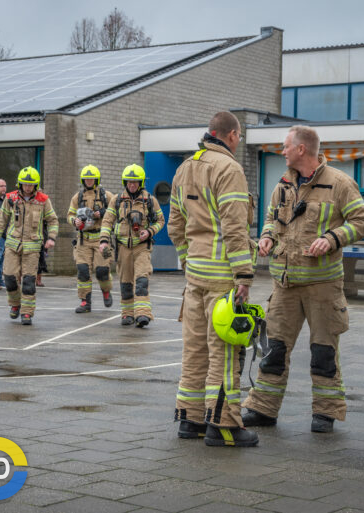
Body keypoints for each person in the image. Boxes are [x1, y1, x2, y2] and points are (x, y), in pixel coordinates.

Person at [241, 125, 364, 434]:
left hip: (322, 287)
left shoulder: (339, 183)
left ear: (301, 149)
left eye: (286, 146)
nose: (282, 151)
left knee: (324, 352)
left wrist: (334, 237)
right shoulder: (283, 185)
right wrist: (268, 237)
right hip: (284, 285)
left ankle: (326, 413)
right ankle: (262, 408)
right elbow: (272, 219)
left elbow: (362, 221)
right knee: (273, 351)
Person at [168, 111, 259, 447]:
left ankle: (189, 420)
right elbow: (235, 229)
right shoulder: (229, 169)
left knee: (194, 350)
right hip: (223, 277)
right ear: (232, 135)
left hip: (195, 276)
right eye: (239, 137)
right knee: (224, 353)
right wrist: (244, 275)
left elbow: (175, 225)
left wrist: (187, 259)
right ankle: (223, 426)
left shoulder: (185, 168)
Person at [0, 167, 58, 326]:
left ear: (36, 185)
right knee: (9, 277)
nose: (28, 187)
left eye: (31, 185)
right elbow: (1, 221)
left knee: (28, 281)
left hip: (32, 248)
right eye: (25, 184)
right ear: (20, 184)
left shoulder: (43, 200)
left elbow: (53, 220)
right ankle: (15, 304)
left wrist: (52, 238)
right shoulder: (11, 198)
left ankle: (26, 313)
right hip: (12, 246)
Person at [99, 164, 164, 328]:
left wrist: (149, 231)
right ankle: (127, 314)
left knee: (141, 280)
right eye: (129, 182)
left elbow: (161, 221)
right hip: (123, 248)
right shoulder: (117, 200)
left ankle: (142, 314)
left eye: (135, 182)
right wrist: (104, 240)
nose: (132, 185)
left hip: (142, 247)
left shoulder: (150, 200)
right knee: (126, 281)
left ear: (141, 183)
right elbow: (107, 221)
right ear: (125, 182)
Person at [67, 165, 115, 313]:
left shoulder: (106, 195)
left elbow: (117, 211)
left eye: (91, 178)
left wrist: (102, 213)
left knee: (102, 270)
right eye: (86, 179)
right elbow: (70, 215)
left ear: (97, 179)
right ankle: (85, 301)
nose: (89, 181)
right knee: (82, 270)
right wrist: (74, 221)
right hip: (83, 240)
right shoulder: (78, 197)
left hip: (102, 239)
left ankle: (106, 291)